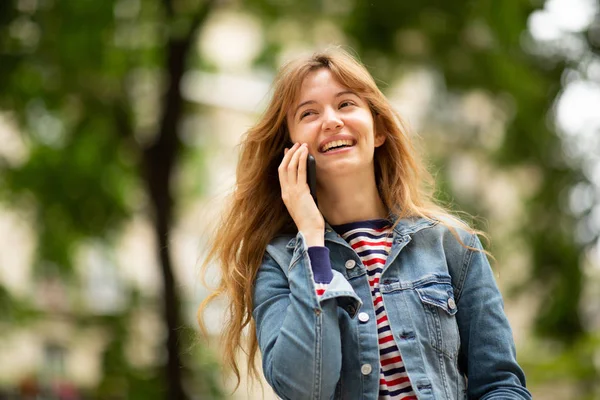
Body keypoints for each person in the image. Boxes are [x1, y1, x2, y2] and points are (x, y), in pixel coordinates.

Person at [198, 47, 532, 400]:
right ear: (290, 148)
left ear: (378, 131)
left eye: (345, 104)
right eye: (309, 113)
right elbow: (304, 389)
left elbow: (500, 385)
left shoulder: (451, 245)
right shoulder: (278, 264)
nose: (331, 120)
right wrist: (312, 240)